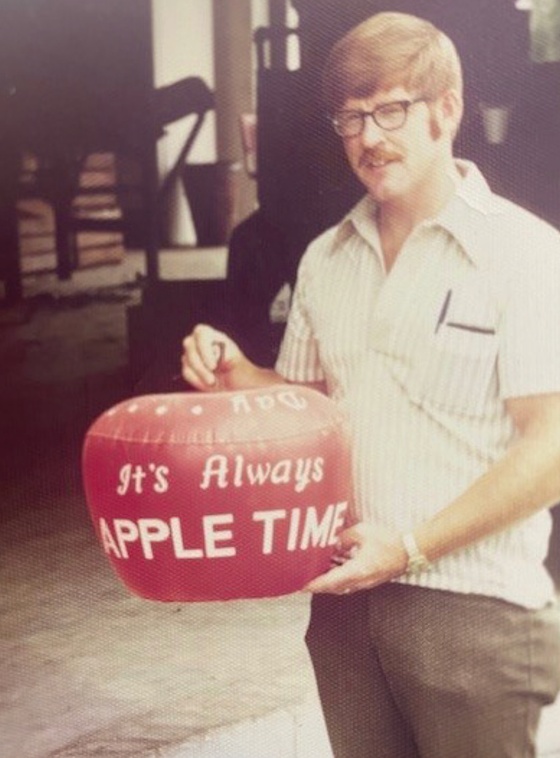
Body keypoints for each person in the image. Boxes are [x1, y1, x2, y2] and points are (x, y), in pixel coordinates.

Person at [181, 12, 560, 758]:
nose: (369, 137)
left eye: (391, 110)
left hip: (475, 613)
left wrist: (413, 548)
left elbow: (549, 448)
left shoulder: (523, 254)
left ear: (446, 109)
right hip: (348, 611)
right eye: (350, 118)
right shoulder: (327, 258)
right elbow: (306, 410)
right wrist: (237, 378)